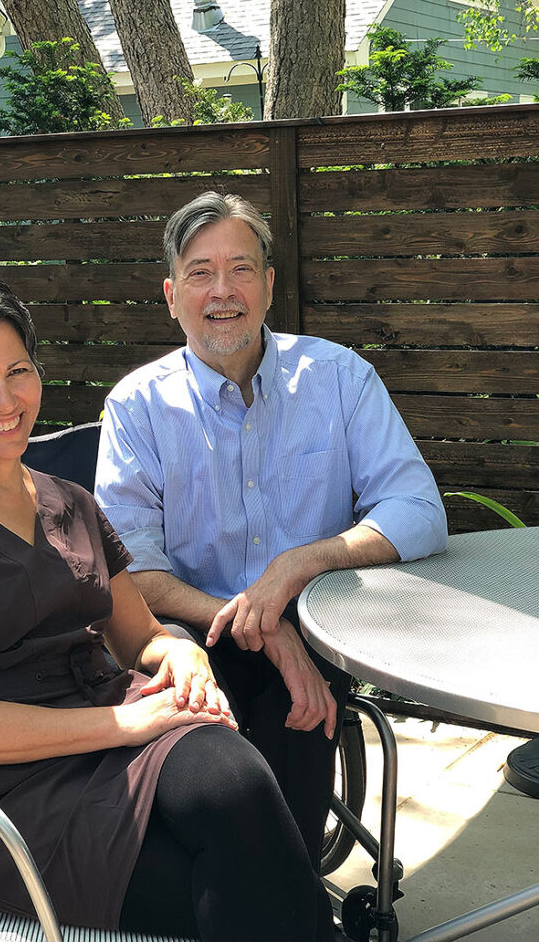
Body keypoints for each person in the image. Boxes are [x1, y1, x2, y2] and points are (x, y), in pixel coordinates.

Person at [0, 272, 339, 942]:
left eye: (17, 371)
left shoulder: (69, 501)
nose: (5, 399)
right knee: (256, 885)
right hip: (6, 794)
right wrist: (124, 723)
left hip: (115, 723)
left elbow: (138, 637)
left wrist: (181, 651)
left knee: (240, 790)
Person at [95, 192, 449, 871]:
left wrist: (295, 567)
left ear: (270, 285)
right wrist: (257, 621)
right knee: (209, 750)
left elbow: (417, 509)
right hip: (190, 627)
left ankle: (273, 902)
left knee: (296, 709)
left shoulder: (339, 379)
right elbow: (133, 574)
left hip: (315, 623)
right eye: (200, 272)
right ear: (171, 294)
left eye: (241, 269)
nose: (221, 291)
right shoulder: (137, 406)